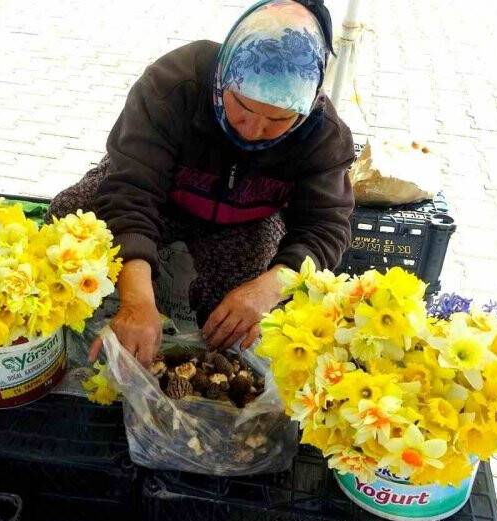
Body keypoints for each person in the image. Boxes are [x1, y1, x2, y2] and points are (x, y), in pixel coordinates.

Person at [49, 0, 355, 367]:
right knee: (70, 222)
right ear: (223, 75)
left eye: (280, 118)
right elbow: (130, 192)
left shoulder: (324, 136)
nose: (254, 129)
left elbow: (325, 228)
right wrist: (137, 302)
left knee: (231, 320)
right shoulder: (173, 84)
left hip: (242, 223)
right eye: (242, 104)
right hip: (158, 199)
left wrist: (266, 290)